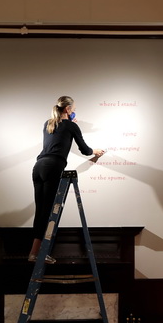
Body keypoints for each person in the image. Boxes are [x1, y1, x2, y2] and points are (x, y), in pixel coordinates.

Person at [28, 96, 105, 264]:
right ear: (68, 110)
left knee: (41, 210)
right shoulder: (71, 125)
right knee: (49, 212)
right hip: (53, 166)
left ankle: (34, 252)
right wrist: (96, 151)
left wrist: (71, 123)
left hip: (38, 167)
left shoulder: (48, 124)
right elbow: (84, 150)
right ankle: (39, 254)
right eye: (73, 108)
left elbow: (58, 137)